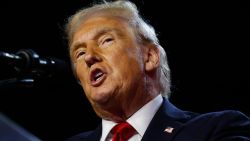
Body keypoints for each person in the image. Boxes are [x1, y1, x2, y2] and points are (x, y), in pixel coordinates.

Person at [64, 0, 250, 141]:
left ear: (150, 57)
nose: (89, 57)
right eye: (79, 53)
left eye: (106, 40)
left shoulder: (216, 130)